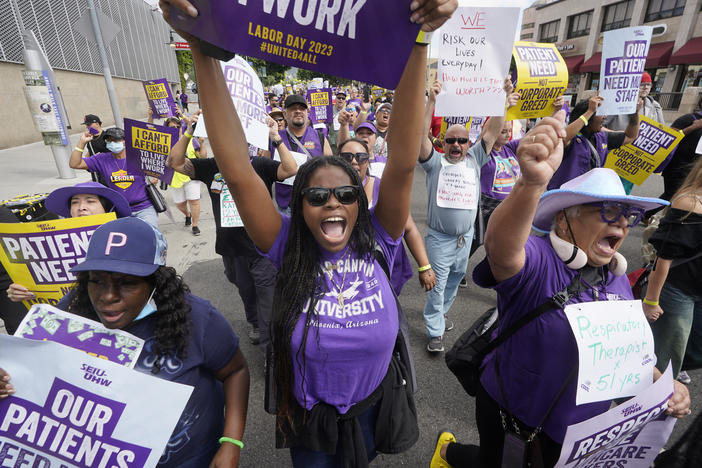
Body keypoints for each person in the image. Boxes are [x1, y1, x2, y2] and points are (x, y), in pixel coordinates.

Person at [159, 0, 456, 465]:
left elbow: (400, 160)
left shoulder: (381, 236)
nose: (333, 203)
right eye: (317, 197)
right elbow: (237, 170)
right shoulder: (285, 244)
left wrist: (420, 38)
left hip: (371, 406)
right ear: (300, 207)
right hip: (308, 416)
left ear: (361, 202)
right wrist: (199, 47)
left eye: (345, 195)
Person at [431, 114, 690, 467]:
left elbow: (624, 354)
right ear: (566, 220)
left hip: (579, 433)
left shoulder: (615, 278)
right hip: (516, 414)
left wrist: (665, 386)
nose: (622, 224)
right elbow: (502, 251)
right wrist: (530, 184)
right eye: (610, 210)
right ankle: (447, 453)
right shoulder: (540, 260)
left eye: (628, 215)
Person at [0, 217, 250, 467]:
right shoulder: (71, 311)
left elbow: (236, 371)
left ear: (156, 283)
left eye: (127, 283)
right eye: (96, 280)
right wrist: (8, 381)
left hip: (190, 458)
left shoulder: (197, 319)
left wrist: (231, 442)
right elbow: (38, 376)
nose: (107, 296)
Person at [167, 111, 298, 349]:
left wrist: (275, 138)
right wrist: (188, 131)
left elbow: (290, 169)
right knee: (246, 290)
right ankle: (255, 322)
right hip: (231, 248)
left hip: (261, 248)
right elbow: (174, 163)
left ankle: (272, 351)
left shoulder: (258, 164)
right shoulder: (210, 167)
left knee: (266, 295)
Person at [417, 78, 513, 353]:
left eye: (461, 140)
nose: (456, 144)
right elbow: (421, 139)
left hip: (465, 238)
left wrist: (504, 99)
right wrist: (431, 101)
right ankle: (435, 332)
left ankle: (441, 314)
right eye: (451, 140)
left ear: (468, 143)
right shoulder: (434, 163)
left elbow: (493, 130)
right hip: (440, 239)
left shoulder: (475, 158)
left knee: (455, 280)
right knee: (436, 286)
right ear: (443, 143)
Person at [5, 181, 131, 308]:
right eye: (75, 202)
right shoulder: (49, 244)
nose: (81, 207)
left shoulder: (126, 238)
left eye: (90, 201)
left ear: (107, 208)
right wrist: (19, 291)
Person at [338, 136, 436, 295]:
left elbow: (409, 228)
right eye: (347, 157)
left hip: (382, 265)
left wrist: (425, 266)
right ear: (338, 161)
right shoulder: (328, 191)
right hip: (343, 267)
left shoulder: (382, 189)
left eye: (361, 157)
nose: (354, 161)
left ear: (368, 161)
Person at [644, 156, 702, 385]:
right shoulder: (689, 202)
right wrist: (651, 300)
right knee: (665, 357)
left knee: (692, 347)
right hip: (678, 291)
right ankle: (653, 406)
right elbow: (664, 257)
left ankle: (673, 371)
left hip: (697, 291)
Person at [69, 127, 159, 227]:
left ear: (125, 141)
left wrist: (156, 177)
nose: (112, 143)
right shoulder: (101, 159)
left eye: (116, 140)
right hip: (120, 211)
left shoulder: (139, 156)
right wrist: (82, 142)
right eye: (109, 140)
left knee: (150, 237)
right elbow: (75, 164)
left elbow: (160, 167)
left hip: (144, 208)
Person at [548, 94, 641, 191]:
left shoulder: (602, 137)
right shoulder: (572, 138)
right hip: (564, 197)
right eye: (600, 113)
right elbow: (563, 138)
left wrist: (635, 113)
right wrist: (590, 111)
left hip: (589, 194)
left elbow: (630, 136)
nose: (605, 117)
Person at [265, 94, 332, 213]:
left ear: (307, 112)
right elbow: (265, 171)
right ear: (285, 114)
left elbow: (331, 170)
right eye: (293, 108)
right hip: (284, 205)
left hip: (313, 203)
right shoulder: (273, 138)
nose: (298, 111)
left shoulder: (320, 138)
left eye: (302, 108)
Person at [166, 112, 206, 235]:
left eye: (177, 127)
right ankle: (187, 214)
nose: (175, 129)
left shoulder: (191, 140)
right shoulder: (164, 143)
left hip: (191, 176)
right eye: (171, 127)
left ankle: (195, 224)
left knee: (194, 201)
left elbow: (202, 157)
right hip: (174, 179)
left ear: (180, 127)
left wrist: (202, 143)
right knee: (180, 204)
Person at [662, 96, 702, 202]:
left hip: (695, 169)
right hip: (677, 166)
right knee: (672, 196)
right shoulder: (689, 119)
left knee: (682, 196)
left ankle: (646, 215)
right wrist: (693, 127)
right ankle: (645, 214)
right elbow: (669, 138)